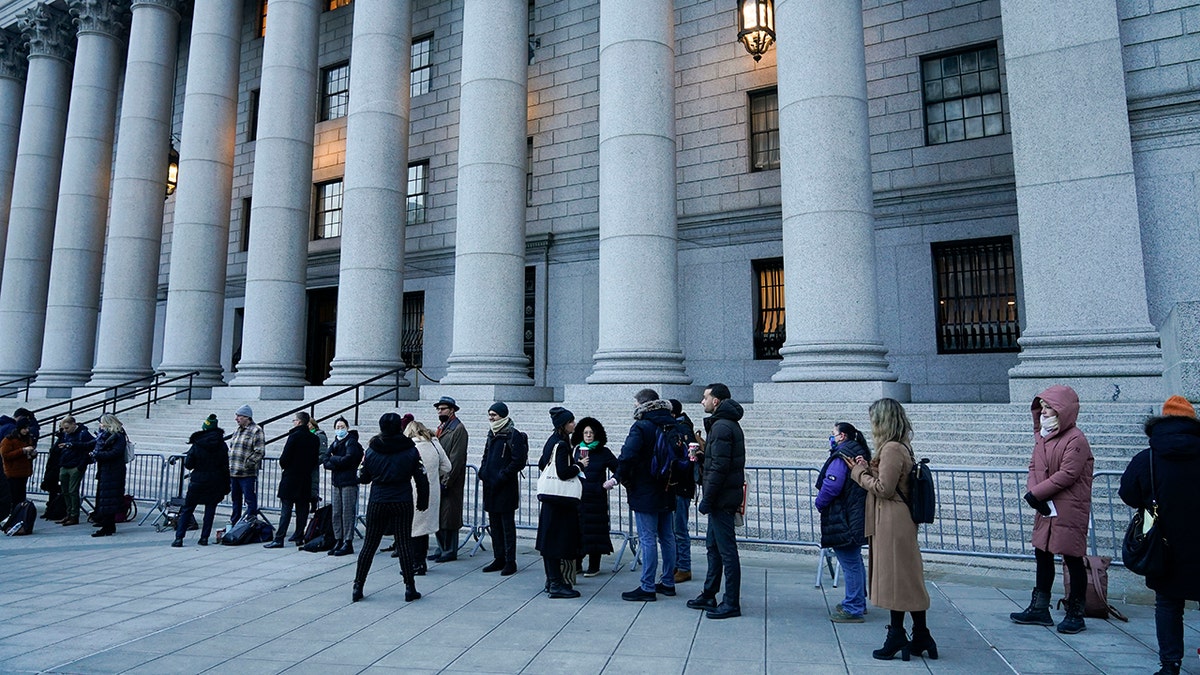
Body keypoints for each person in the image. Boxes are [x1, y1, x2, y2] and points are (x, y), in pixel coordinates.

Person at [1119, 395, 1200, 675]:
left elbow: (1127, 493)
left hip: (1164, 543)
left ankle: (1170, 665)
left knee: (1168, 603)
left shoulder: (1148, 458)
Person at [849, 398, 934, 661]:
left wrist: (859, 473)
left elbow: (884, 489)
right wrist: (871, 466)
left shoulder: (892, 449)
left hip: (892, 519)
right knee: (905, 578)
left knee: (897, 579)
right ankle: (919, 634)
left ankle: (897, 634)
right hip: (896, 518)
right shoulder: (899, 446)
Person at [1009, 385, 1094, 635]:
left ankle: (1075, 613)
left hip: (1068, 507)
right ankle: (1040, 608)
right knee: (1042, 554)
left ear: (1063, 410)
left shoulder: (1076, 439)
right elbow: (1034, 467)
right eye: (1042, 407)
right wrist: (1034, 492)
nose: (1044, 412)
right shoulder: (1043, 437)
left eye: (1049, 407)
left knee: (1072, 557)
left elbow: (1068, 473)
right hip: (1046, 506)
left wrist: (1036, 493)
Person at [353, 412, 430, 603]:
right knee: (404, 542)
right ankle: (409, 587)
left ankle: (358, 585)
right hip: (402, 499)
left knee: (370, 544)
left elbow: (363, 477)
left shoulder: (372, 450)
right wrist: (423, 500)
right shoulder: (410, 449)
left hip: (378, 499)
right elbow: (421, 477)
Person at [685, 383, 745, 619]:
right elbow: (718, 462)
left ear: (716, 401)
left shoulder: (721, 427)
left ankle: (731, 602)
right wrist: (702, 456)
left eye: (705, 397)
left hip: (721, 498)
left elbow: (720, 468)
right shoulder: (724, 424)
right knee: (714, 547)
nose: (702, 401)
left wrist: (707, 500)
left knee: (726, 551)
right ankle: (709, 593)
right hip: (722, 496)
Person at [616, 389, 678, 602]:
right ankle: (668, 582)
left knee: (648, 537)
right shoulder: (671, 423)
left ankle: (647, 586)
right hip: (668, 487)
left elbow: (627, 455)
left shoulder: (641, 426)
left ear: (642, 404)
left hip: (645, 488)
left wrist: (617, 478)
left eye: (635, 403)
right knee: (667, 536)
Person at [816, 422, 871, 623]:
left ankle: (854, 606)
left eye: (833, 434)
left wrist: (819, 503)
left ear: (842, 436)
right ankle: (858, 601)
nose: (831, 437)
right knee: (854, 560)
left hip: (844, 516)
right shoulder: (857, 451)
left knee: (849, 563)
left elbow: (832, 485)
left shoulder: (843, 456)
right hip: (854, 513)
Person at [536, 407, 586, 599]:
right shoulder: (562, 445)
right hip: (560, 501)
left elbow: (543, 463)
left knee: (550, 541)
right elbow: (563, 473)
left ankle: (552, 580)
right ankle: (556, 583)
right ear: (563, 425)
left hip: (551, 501)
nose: (574, 424)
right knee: (557, 542)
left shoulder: (552, 442)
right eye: (571, 421)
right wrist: (580, 465)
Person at [478, 401, 528, 576]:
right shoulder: (491, 434)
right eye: (490, 414)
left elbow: (518, 461)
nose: (491, 418)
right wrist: (483, 472)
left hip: (505, 487)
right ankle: (498, 557)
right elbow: (486, 455)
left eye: (494, 415)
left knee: (507, 526)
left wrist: (503, 475)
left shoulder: (513, 435)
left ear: (503, 416)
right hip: (490, 486)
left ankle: (509, 560)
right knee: (494, 525)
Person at [172, 414, 231, 547]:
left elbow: (188, 464)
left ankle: (179, 538)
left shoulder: (197, 444)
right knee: (210, 510)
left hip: (198, 480)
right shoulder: (222, 445)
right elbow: (225, 466)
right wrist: (227, 485)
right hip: (216, 480)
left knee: (188, 509)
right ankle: (204, 538)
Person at [265, 412, 321, 549]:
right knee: (302, 510)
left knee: (286, 510)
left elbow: (284, 458)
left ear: (299, 422)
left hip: (291, 477)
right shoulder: (314, 439)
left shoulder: (294, 436)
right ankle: (299, 536)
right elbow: (314, 460)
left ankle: (279, 538)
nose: (293, 422)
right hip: (305, 478)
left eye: (294, 420)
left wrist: (288, 467)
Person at [403, 415, 451, 574]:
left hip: (413, 490)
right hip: (433, 491)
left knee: (413, 529)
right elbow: (447, 466)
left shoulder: (410, 447)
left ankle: (416, 563)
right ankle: (421, 562)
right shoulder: (435, 444)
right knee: (423, 529)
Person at [573, 417, 618, 577]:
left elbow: (618, 468)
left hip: (596, 498)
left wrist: (611, 482)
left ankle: (594, 565)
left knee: (596, 531)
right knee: (577, 530)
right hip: (578, 496)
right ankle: (577, 563)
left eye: (591, 432)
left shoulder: (603, 452)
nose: (588, 435)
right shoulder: (576, 451)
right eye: (585, 432)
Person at [432, 396, 469, 562]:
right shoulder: (442, 428)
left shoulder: (458, 429)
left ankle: (449, 549)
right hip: (438, 477)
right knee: (438, 515)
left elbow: (456, 458)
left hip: (450, 480)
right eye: (438, 409)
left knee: (449, 516)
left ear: (452, 410)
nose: (440, 411)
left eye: (443, 409)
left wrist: (447, 480)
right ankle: (441, 547)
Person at [669, 399, 700, 583]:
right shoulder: (679, 427)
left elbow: (687, 462)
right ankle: (677, 564)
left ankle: (684, 567)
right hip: (679, 486)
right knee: (674, 529)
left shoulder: (683, 430)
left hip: (682, 486)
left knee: (679, 529)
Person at [325, 416, 364, 556]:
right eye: (337, 427)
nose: (339, 430)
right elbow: (325, 460)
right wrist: (336, 462)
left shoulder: (351, 442)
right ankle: (338, 539)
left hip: (348, 481)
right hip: (337, 481)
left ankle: (348, 541)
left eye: (342, 427)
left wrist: (334, 460)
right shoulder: (335, 443)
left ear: (347, 427)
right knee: (336, 512)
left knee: (347, 512)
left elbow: (348, 460)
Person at [90, 414, 129, 537]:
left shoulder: (118, 436)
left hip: (114, 471)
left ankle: (107, 526)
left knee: (110, 499)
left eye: (102, 423)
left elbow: (116, 452)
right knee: (106, 498)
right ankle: (107, 524)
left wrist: (98, 454)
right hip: (107, 469)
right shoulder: (106, 436)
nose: (100, 425)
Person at [228, 404, 265, 524]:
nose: (236, 418)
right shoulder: (237, 431)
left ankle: (250, 521)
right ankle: (235, 522)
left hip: (246, 473)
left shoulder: (256, 430)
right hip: (234, 472)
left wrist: (248, 463)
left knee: (249, 498)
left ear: (247, 417)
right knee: (235, 499)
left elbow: (259, 451)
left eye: (239, 416)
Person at [55, 415, 94, 526]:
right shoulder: (66, 434)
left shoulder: (83, 433)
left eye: (67, 428)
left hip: (76, 465)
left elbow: (91, 445)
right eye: (63, 428)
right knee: (65, 491)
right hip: (65, 464)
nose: (65, 431)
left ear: (73, 424)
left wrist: (81, 464)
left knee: (73, 491)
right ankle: (68, 513)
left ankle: (74, 515)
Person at [0, 416, 36, 505]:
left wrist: (33, 454)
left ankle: (18, 513)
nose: (26, 430)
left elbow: (29, 454)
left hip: (24, 472)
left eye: (28, 428)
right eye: (24, 428)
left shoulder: (28, 438)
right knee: (13, 496)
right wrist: (22, 450)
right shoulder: (8, 440)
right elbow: (5, 455)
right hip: (12, 473)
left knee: (21, 496)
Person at [308, 416, 329, 510]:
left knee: (312, 489)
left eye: (309, 424)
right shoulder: (304, 435)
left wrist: (312, 462)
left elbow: (323, 453)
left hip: (312, 467)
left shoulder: (319, 436)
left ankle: (314, 503)